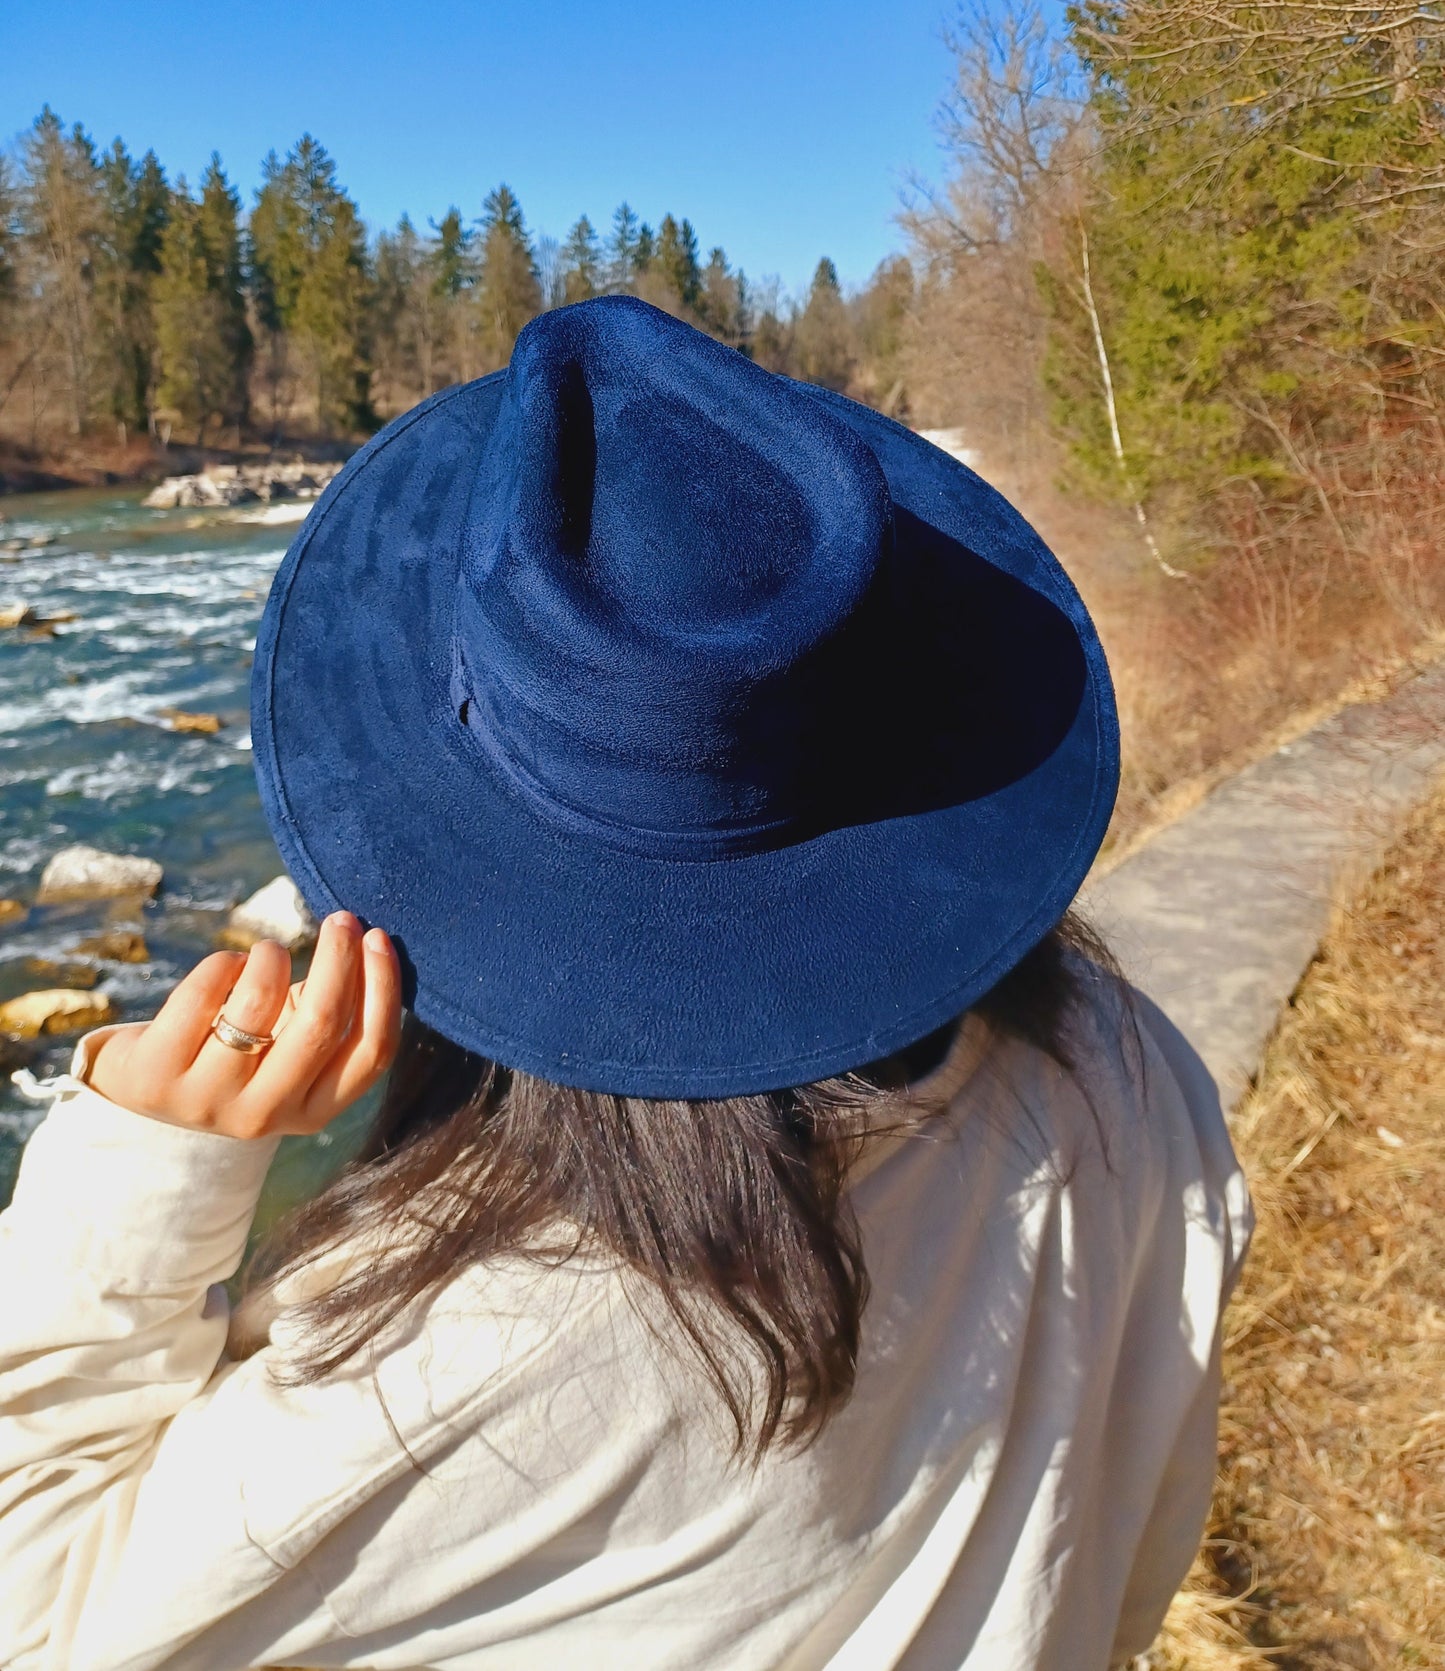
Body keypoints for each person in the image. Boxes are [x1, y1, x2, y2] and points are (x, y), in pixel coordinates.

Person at [0, 297, 1251, 1671]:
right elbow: (1131, 1542)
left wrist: (139, 1162)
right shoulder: (1130, 1076)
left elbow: (42, 1619)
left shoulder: (462, 1343)